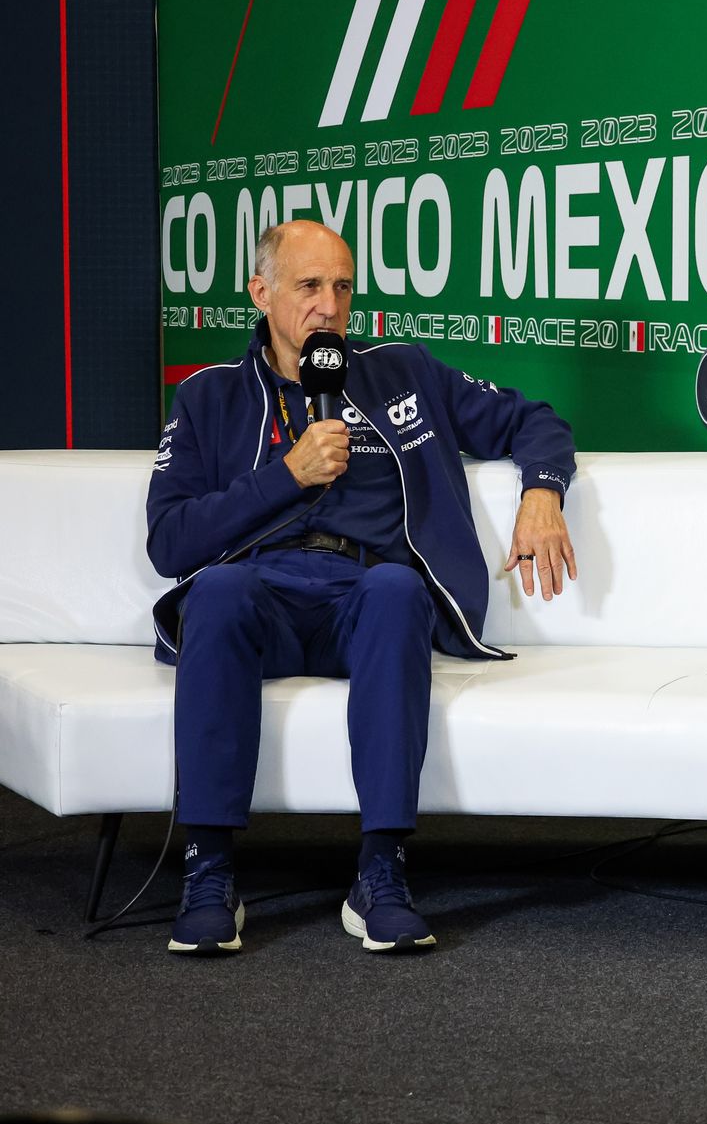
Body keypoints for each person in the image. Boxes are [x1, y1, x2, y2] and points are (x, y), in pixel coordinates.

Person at [147, 220, 578, 955]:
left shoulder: (402, 373)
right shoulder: (207, 397)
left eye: (342, 287)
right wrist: (288, 474)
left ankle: (382, 871)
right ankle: (209, 869)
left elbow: (534, 419)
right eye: (310, 286)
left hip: (363, 596)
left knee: (398, 591)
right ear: (261, 293)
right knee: (214, 592)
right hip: (261, 598)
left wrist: (543, 491)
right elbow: (169, 542)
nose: (330, 305)